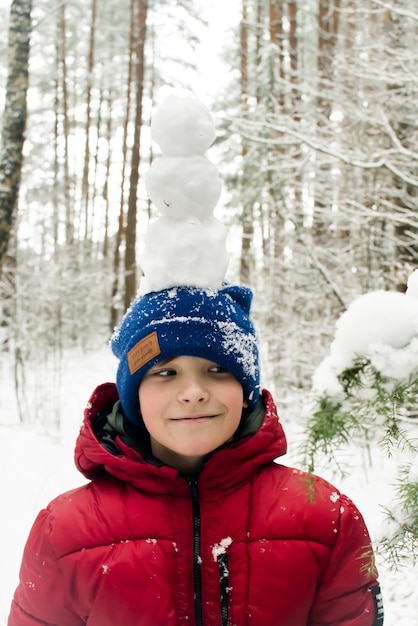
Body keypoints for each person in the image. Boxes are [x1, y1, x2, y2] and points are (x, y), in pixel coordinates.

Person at [8, 283, 384, 626]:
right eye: (166, 372)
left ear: (246, 388)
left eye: (218, 369)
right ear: (133, 395)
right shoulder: (66, 530)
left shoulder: (323, 516)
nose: (193, 392)